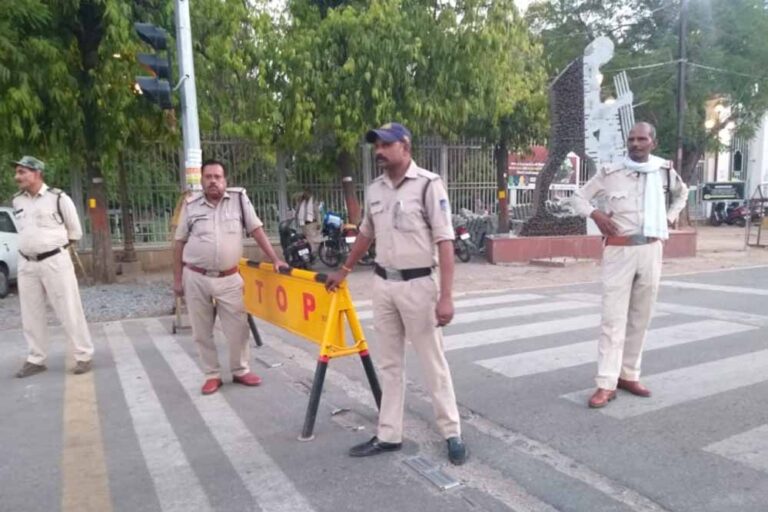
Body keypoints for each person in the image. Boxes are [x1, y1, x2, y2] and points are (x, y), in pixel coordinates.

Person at [325, 122, 468, 465]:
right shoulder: (375, 190)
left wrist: (446, 296)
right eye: (376, 145)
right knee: (389, 364)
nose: (379, 151)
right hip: (383, 284)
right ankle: (389, 434)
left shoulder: (428, 185)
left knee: (433, 363)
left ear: (405, 146)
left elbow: (445, 242)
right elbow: (365, 235)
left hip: (420, 285)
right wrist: (344, 270)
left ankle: (452, 433)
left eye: (386, 145)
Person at [570, 122, 688, 408]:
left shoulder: (664, 171)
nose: (635, 144)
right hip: (619, 251)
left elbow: (682, 194)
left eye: (642, 139)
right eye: (632, 139)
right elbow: (578, 197)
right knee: (613, 320)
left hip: (651, 248)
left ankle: (629, 374)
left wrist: (670, 218)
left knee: (641, 316)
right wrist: (596, 215)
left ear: (653, 142)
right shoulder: (611, 173)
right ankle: (606, 383)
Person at [173, 159, 288, 395]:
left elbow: (256, 230)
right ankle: (212, 374)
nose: (213, 181)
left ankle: (240, 370)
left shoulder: (238, 200)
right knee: (201, 331)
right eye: (208, 177)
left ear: (225, 180)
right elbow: (178, 243)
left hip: (229, 278)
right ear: (202, 180)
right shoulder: (191, 204)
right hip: (196, 276)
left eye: (218, 176)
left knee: (238, 328)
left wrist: (275, 258)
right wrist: (176, 280)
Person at [11, 155, 94, 377]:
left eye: (22, 172)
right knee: (31, 312)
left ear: (36, 173)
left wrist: (53, 250)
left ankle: (83, 355)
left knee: (68, 308)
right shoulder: (17, 201)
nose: (17, 177)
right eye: (17, 172)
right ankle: (36, 358)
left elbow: (75, 231)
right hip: (27, 263)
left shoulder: (58, 198)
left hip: (55, 261)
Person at [295, 188, 322, 254]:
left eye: (307, 193)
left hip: (311, 222)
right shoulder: (301, 201)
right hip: (303, 223)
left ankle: (314, 251)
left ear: (310, 194)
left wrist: (319, 222)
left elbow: (317, 212)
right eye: (304, 193)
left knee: (312, 238)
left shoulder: (313, 201)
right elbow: (297, 211)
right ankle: (311, 250)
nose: (305, 194)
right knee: (307, 237)